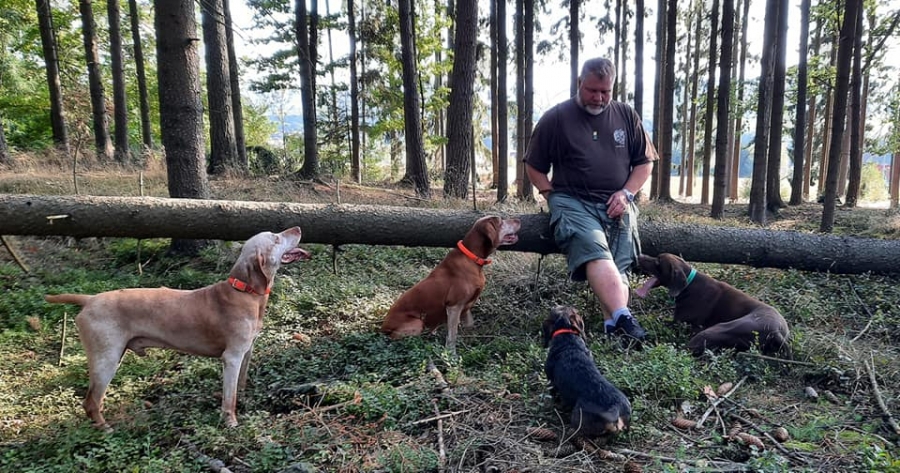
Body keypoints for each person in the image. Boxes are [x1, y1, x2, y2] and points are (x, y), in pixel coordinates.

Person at [524, 57, 657, 342]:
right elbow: (534, 165)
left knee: (619, 263)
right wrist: (550, 194)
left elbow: (644, 163)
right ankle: (625, 318)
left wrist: (626, 193)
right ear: (579, 83)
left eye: (605, 91)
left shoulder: (626, 115)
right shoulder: (556, 118)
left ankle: (612, 326)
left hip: (617, 202)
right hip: (572, 201)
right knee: (592, 246)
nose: (598, 97)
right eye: (592, 90)